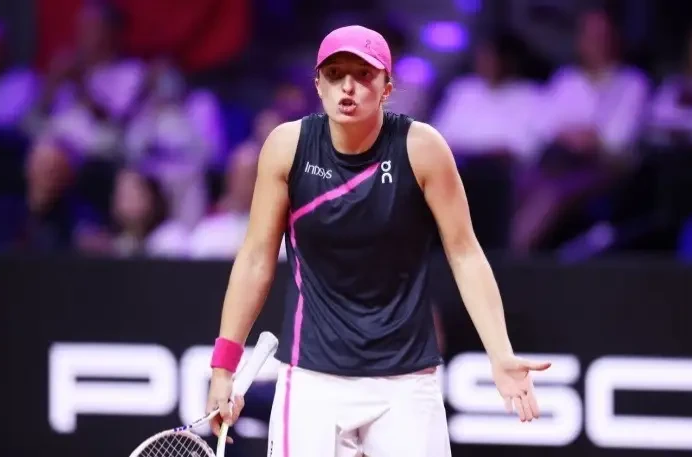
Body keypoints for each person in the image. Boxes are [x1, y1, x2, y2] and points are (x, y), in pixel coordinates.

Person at [205, 25, 551, 457]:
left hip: (405, 381)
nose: (348, 87)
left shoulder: (422, 148)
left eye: (363, 74)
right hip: (312, 378)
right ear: (318, 84)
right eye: (335, 74)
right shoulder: (287, 147)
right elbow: (256, 258)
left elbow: (465, 253)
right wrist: (224, 366)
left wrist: (500, 354)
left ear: (387, 87)